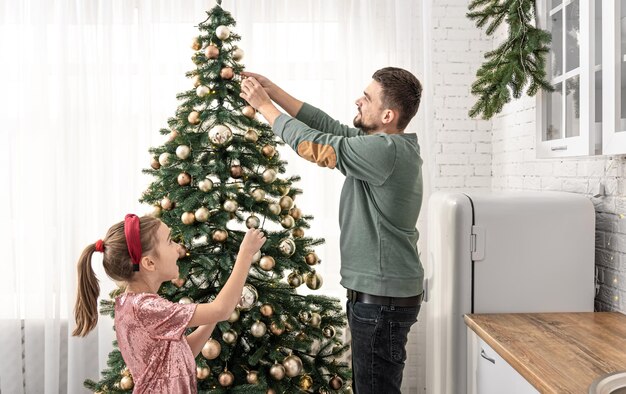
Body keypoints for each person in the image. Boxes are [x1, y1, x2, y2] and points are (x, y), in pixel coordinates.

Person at [240, 67, 423, 394]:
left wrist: (264, 106)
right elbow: (327, 127)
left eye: (366, 98)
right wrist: (275, 90)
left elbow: (315, 145)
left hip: (381, 301)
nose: (358, 101)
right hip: (379, 298)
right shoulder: (382, 143)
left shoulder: (384, 151)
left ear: (387, 115)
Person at [72, 214, 266, 393]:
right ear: (149, 263)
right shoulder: (145, 308)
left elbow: (180, 355)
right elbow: (222, 310)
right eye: (169, 241)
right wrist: (246, 254)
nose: (177, 248)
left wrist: (211, 316)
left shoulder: (136, 304)